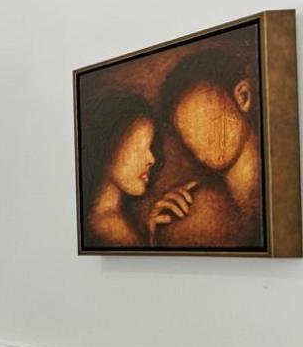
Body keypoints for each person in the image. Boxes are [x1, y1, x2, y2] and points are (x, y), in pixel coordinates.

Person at [154, 48, 263, 247]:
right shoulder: (192, 211)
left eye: (207, 118)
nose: (200, 138)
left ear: (243, 97)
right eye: (187, 129)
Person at [82, 93, 195, 247]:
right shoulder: (109, 227)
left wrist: (151, 235)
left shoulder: (103, 219)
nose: (151, 159)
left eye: (150, 147)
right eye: (137, 148)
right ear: (109, 148)